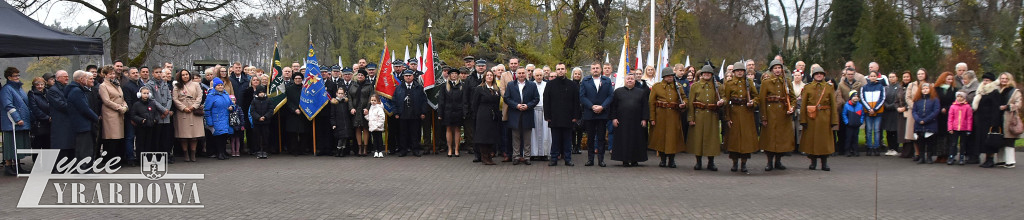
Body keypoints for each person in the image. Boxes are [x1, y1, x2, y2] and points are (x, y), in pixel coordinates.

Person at [800, 66, 838, 171]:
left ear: (824, 75)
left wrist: (834, 120)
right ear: (813, 76)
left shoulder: (829, 87)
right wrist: (803, 119)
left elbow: (833, 104)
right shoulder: (808, 87)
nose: (819, 75)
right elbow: (803, 105)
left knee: (824, 142)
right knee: (811, 142)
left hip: (825, 117)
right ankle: (813, 162)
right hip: (811, 118)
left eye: (821, 73)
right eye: (817, 74)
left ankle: (824, 163)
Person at [722, 62, 758, 173]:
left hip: (747, 113)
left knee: (746, 141)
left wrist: (753, 102)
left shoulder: (749, 83)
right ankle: (734, 163)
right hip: (734, 112)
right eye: (737, 70)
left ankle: (744, 163)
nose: (739, 72)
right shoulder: (729, 84)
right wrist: (727, 117)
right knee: (734, 140)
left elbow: (757, 96)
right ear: (733, 72)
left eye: (741, 70)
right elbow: (726, 101)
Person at [688, 65, 724, 171]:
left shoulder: (718, 86)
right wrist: (691, 118)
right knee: (698, 139)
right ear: (701, 75)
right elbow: (690, 103)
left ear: (712, 75)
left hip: (712, 115)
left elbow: (724, 96)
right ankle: (698, 162)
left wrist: (722, 101)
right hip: (699, 114)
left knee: (711, 140)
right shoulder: (695, 86)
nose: (706, 75)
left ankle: (711, 162)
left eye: (708, 74)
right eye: (704, 74)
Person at [545, 64, 581, 166]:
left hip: (568, 117)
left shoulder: (572, 85)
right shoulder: (550, 84)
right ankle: (554, 158)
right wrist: (547, 116)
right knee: (555, 139)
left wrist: (575, 116)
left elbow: (576, 101)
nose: (560, 71)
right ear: (556, 71)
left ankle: (568, 159)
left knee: (567, 140)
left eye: (562, 69)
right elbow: (546, 101)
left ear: (566, 71)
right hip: (554, 117)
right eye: (558, 69)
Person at [610, 74, 650, 167]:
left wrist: (645, 119)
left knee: (636, 141)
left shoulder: (641, 92)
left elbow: (645, 107)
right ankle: (624, 160)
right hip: (622, 122)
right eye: (628, 79)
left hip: (637, 122)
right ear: (625, 80)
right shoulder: (617, 92)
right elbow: (613, 107)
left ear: (634, 81)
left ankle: (635, 160)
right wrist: (614, 118)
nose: (630, 80)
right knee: (623, 141)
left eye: (632, 79)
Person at [579, 62, 613, 167]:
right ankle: (590, 159)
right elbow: (582, 96)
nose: (595, 70)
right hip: (590, 113)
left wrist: (602, 106)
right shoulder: (585, 81)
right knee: (590, 137)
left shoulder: (607, 81)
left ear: (601, 69)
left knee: (601, 138)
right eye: (593, 68)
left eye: (597, 68)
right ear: (590, 70)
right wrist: (592, 106)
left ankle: (601, 160)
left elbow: (610, 96)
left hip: (602, 113)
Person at [504, 68, 539, 165]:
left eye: (523, 73)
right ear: (517, 74)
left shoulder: (532, 85)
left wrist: (528, 105)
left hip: (527, 113)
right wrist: (516, 105)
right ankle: (516, 157)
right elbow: (507, 98)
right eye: (519, 73)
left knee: (527, 138)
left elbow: (536, 98)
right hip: (515, 114)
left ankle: (527, 157)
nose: (521, 75)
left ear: (526, 74)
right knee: (516, 137)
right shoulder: (511, 85)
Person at [1, 67, 32, 175]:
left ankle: (17, 165)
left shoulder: (19, 88)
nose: (17, 77)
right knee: (11, 145)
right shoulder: (7, 89)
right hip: (12, 123)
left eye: (18, 75)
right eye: (15, 76)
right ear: (9, 77)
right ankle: (9, 166)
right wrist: (17, 118)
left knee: (18, 145)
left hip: (22, 121)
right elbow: (8, 105)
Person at [98, 65, 128, 167]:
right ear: (105, 75)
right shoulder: (103, 86)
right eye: (110, 74)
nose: (113, 75)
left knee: (119, 138)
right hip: (110, 114)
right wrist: (119, 107)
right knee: (111, 138)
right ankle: (110, 161)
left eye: (113, 73)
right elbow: (106, 101)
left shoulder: (117, 84)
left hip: (120, 114)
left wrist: (125, 106)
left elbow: (122, 97)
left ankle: (118, 159)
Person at [173, 69, 205, 162]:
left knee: (194, 135)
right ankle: (185, 153)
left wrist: (194, 106)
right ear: (180, 76)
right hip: (182, 111)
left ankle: (193, 153)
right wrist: (183, 108)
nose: (185, 76)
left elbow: (200, 97)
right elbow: (175, 99)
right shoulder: (177, 86)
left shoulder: (196, 85)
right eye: (183, 75)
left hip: (194, 110)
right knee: (184, 136)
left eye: (187, 74)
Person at [393, 69, 428, 157]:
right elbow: (394, 101)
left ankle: (415, 149)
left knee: (415, 133)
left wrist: (423, 112)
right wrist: (396, 112)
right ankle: (403, 150)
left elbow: (424, 101)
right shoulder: (398, 88)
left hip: (415, 114)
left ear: (413, 76)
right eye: (406, 76)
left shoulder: (419, 87)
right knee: (403, 133)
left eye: (410, 75)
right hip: (403, 114)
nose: (408, 77)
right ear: (404, 77)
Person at [472, 71, 502, 165]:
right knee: (483, 137)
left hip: (493, 116)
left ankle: (489, 156)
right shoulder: (479, 89)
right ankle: (484, 157)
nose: (489, 77)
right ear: (484, 77)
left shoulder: (496, 89)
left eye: (491, 75)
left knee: (491, 136)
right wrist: (476, 116)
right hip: (483, 115)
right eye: (487, 75)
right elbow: (474, 104)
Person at [437, 68, 468, 157]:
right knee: (449, 129)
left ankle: (457, 149)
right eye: (452, 74)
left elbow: (464, 100)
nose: (454, 75)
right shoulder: (444, 86)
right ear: (449, 75)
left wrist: (464, 112)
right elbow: (441, 100)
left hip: (458, 111)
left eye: (455, 73)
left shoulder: (462, 86)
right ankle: (450, 149)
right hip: (448, 111)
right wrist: (440, 113)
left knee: (457, 129)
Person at [995, 73, 1021, 168]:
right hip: (997, 117)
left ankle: (1010, 161)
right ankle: (1000, 160)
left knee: (1009, 140)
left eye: (1006, 78)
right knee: (999, 138)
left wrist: (1008, 107)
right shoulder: (996, 89)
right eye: (1002, 78)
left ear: (1009, 80)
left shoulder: (1014, 91)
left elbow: (1019, 104)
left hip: (1009, 117)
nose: (1004, 80)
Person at [47, 70, 73, 163]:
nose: (67, 78)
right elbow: (60, 105)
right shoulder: (53, 90)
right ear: (58, 78)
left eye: (67, 76)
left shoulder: (66, 88)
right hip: (60, 121)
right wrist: (74, 106)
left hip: (68, 121)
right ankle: (59, 166)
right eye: (64, 76)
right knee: (61, 144)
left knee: (68, 143)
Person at [204, 78, 234, 160]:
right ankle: (219, 153)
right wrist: (209, 122)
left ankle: (223, 152)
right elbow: (207, 109)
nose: (220, 87)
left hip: (225, 118)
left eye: (221, 85)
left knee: (224, 136)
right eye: (218, 85)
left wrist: (232, 107)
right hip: (216, 119)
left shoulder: (225, 94)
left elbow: (232, 104)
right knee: (218, 137)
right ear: (215, 86)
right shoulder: (211, 96)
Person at [129, 87, 160, 162]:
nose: (146, 95)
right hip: (141, 127)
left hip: (151, 126)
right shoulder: (136, 104)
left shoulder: (152, 103)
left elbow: (156, 113)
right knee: (140, 143)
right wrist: (141, 120)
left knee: (149, 143)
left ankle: (148, 158)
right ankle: (140, 159)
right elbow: (133, 115)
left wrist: (155, 119)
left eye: (147, 93)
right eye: (144, 93)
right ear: (140, 94)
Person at [933, 72, 958, 163]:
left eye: (951, 79)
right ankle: (939, 155)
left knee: (948, 136)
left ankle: (947, 155)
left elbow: (955, 102)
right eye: (948, 79)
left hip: (949, 114)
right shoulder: (936, 89)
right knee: (939, 135)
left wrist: (946, 108)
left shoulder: (954, 90)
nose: (950, 81)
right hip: (938, 115)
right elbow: (934, 100)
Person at [912, 82, 940, 164]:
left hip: (930, 123)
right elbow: (914, 111)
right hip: (919, 124)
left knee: (929, 141)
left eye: (926, 88)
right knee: (920, 141)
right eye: (923, 89)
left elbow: (936, 111)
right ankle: (921, 157)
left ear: (930, 89)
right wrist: (918, 119)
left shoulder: (934, 99)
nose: (925, 90)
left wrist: (926, 120)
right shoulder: (917, 100)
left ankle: (929, 157)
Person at [860, 71, 886, 156]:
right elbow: (862, 99)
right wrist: (869, 109)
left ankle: (876, 147)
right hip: (868, 112)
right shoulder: (864, 87)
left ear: (877, 77)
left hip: (878, 112)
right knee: (869, 130)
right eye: (871, 76)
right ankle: (869, 147)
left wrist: (875, 109)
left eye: (874, 76)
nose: (873, 77)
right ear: (868, 77)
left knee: (877, 130)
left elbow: (882, 99)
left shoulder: (880, 87)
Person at [348, 70, 374, 157]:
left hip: (365, 110)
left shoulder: (369, 86)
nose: (359, 76)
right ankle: (359, 148)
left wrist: (367, 108)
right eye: (358, 75)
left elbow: (371, 97)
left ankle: (365, 148)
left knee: (365, 128)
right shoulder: (353, 85)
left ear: (365, 76)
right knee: (357, 128)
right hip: (356, 110)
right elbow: (350, 97)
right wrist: (351, 108)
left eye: (361, 75)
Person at [284, 74, 309, 155]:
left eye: (299, 78)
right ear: (293, 79)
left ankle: (302, 149)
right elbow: (287, 101)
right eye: (296, 78)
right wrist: (294, 109)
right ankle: (293, 150)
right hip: (292, 114)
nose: (298, 80)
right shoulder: (289, 89)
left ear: (302, 79)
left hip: (304, 113)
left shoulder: (306, 88)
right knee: (293, 134)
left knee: (304, 133)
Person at [905, 69, 928, 161]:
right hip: (913, 111)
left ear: (925, 75)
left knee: (924, 133)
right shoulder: (912, 85)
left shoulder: (929, 85)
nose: (920, 75)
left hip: (925, 111)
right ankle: (917, 153)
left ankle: (925, 154)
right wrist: (914, 106)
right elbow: (907, 97)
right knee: (914, 133)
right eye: (918, 74)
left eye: (922, 73)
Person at [959, 71, 981, 163]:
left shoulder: (978, 88)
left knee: (974, 136)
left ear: (970, 79)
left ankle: (975, 156)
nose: (963, 81)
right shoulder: (964, 87)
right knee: (966, 136)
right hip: (965, 115)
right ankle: (967, 154)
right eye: (963, 79)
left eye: (965, 79)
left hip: (975, 115)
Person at [882, 72, 906, 156]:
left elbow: (898, 100)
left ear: (896, 78)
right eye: (890, 77)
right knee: (888, 131)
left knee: (895, 131)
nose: (891, 78)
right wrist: (886, 105)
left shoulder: (899, 88)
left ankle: (895, 148)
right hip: (887, 112)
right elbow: (883, 98)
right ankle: (890, 148)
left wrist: (892, 106)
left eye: (893, 77)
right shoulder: (886, 88)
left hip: (895, 112)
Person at [530, 69, 551, 161]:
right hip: (534, 110)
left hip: (544, 110)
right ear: (534, 76)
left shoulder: (547, 85)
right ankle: (534, 153)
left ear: (543, 76)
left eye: (540, 75)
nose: (539, 77)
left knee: (545, 133)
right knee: (534, 133)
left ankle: (544, 153)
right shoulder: (530, 85)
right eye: (537, 75)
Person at [947, 91, 972, 165]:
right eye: (958, 96)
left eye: (961, 97)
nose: (959, 98)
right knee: (953, 143)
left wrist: (968, 129)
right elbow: (950, 118)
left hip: (964, 128)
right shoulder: (953, 106)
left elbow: (969, 118)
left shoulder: (967, 106)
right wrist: (950, 128)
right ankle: (951, 156)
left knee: (962, 144)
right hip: (955, 128)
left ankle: (961, 157)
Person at [249, 85, 273, 158]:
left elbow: (271, 110)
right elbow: (252, 111)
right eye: (260, 92)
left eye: (263, 92)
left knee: (265, 137)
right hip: (257, 122)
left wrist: (265, 117)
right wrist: (258, 117)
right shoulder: (254, 101)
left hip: (266, 122)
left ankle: (265, 151)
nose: (261, 94)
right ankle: (258, 151)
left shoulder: (268, 100)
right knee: (257, 137)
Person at [27, 77, 50, 150]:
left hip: (49, 124)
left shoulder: (48, 93)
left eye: (42, 84)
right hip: (38, 124)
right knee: (37, 145)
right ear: (34, 85)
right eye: (37, 85)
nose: (40, 86)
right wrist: (47, 117)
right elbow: (34, 109)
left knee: (48, 145)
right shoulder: (32, 94)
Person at [329, 87, 353, 157]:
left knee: (345, 138)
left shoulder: (345, 102)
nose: (340, 95)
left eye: (342, 93)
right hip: (338, 123)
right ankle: (338, 150)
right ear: (336, 94)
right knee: (340, 138)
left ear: (344, 94)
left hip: (346, 123)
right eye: (339, 93)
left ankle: (343, 150)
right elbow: (332, 114)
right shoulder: (334, 103)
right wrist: (333, 123)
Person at [842, 91, 865, 157]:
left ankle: (855, 150)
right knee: (848, 138)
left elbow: (862, 115)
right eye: (854, 96)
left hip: (856, 124)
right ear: (851, 97)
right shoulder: (846, 105)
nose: (855, 98)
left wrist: (860, 122)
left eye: (857, 96)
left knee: (855, 138)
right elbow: (844, 114)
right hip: (849, 125)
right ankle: (847, 150)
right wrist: (847, 122)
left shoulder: (860, 106)